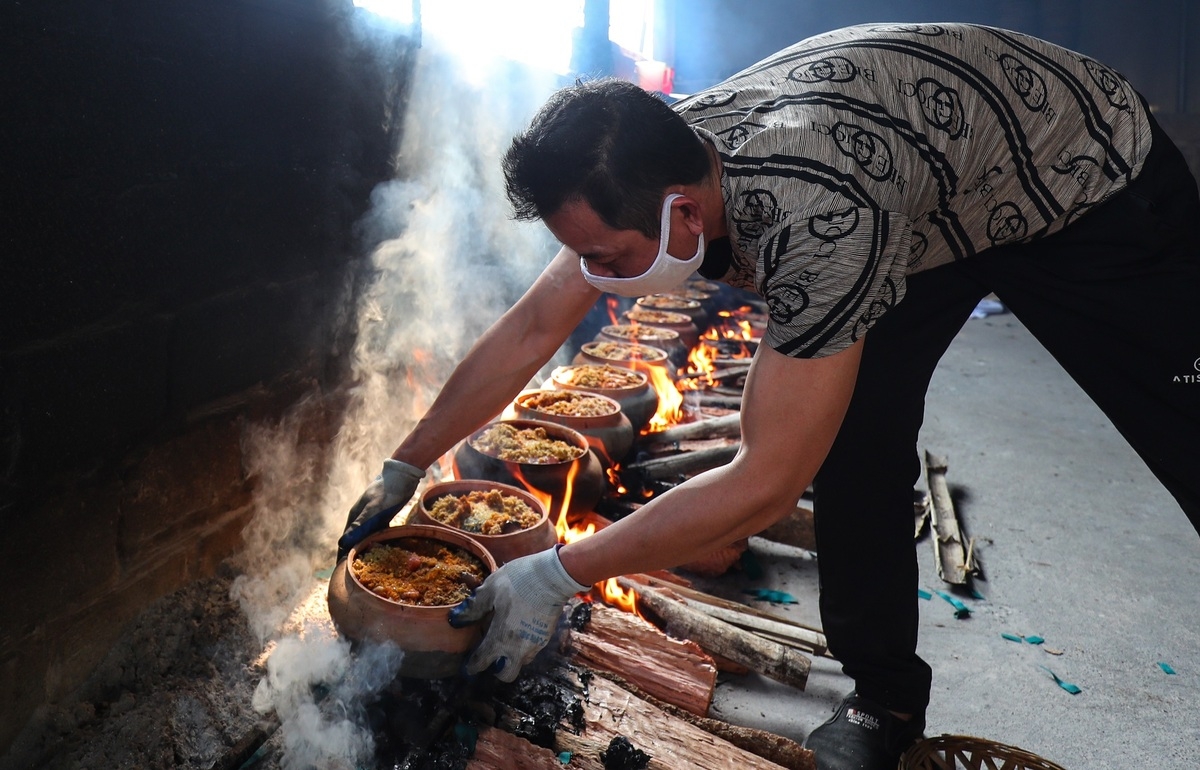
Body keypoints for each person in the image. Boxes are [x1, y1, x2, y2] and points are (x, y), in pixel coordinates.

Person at [338, 22, 1200, 770]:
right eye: (584, 258)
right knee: (856, 440)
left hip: (1085, 176)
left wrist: (558, 573)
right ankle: (885, 699)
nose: (592, 279)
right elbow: (532, 328)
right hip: (928, 191)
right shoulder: (650, 160)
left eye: (608, 259)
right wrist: (405, 461)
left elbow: (766, 481)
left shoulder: (819, 221)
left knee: (1184, 406)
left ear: (684, 214)